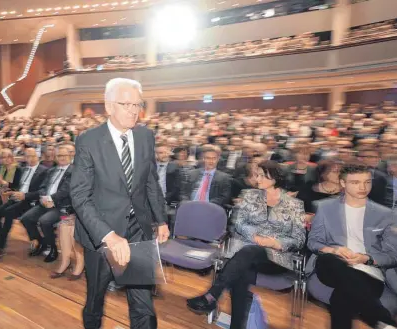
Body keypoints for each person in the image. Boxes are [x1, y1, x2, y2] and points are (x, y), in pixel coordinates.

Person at [71, 78, 170, 329]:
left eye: (138, 104)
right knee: (96, 298)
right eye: (126, 104)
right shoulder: (88, 141)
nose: (134, 110)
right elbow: (80, 196)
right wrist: (109, 236)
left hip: (138, 229)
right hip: (102, 232)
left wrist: (161, 219)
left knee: (143, 302)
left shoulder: (146, 136)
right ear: (109, 106)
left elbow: (151, 182)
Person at [187, 160, 306, 329]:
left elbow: (299, 238)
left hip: (276, 258)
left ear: (276, 176)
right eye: (256, 175)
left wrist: (275, 242)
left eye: (262, 175)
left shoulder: (295, 204)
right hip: (247, 252)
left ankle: (212, 295)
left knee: (243, 259)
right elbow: (239, 223)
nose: (257, 179)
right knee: (242, 271)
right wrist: (256, 237)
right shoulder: (249, 195)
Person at [307, 163, 397, 329]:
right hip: (330, 266)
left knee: (341, 299)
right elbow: (313, 242)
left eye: (367, 182)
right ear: (343, 183)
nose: (363, 187)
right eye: (355, 182)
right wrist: (335, 250)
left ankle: (381, 323)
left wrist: (366, 258)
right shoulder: (325, 207)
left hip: (368, 272)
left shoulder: (385, 214)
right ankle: (382, 319)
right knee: (330, 260)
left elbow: (392, 255)